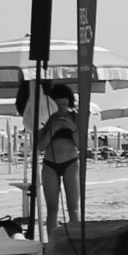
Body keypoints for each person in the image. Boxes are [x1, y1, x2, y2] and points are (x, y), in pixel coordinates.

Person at [36, 83, 81, 233]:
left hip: (71, 162)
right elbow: (39, 147)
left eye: (65, 104)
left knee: (73, 208)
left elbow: (82, 145)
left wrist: (73, 129)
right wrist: (52, 130)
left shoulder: (75, 117)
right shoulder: (45, 119)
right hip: (50, 163)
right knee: (52, 210)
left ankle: (75, 240)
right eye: (58, 104)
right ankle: (52, 243)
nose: (62, 107)